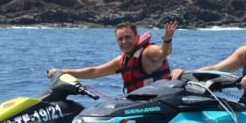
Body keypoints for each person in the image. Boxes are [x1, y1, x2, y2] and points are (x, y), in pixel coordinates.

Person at [47, 20, 178, 93]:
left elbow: (164, 52)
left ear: (137, 37)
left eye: (128, 37)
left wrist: (167, 40)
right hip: (137, 103)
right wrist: (62, 72)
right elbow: (95, 72)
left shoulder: (148, 52)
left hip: (158, 103)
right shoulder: (123, 60)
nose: (124, 42)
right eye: (120, 39)